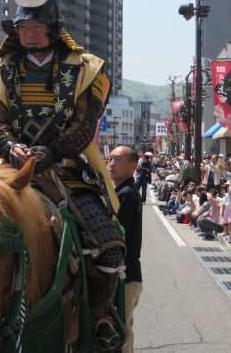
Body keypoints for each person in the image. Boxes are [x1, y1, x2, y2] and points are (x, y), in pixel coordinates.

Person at [0, 0, 125, 352]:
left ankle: (100, 315)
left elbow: (85, 125)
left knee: (110, 246)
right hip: (9, 166)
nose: (27, 35)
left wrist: (51, 152)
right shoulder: (0, 70)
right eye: (22, 29)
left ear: (52, 27)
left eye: (34, 28)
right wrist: (13, 150)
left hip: (67, 167)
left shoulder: (87, 69)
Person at [107, 146, 142, 353]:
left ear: (133, 166)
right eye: (110, 159)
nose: (111, 164)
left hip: (126, 276)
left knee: (123, 331)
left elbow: (115, 232)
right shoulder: (117, 192)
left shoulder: (128, 194)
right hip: (121, 274)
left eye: (117, 160)